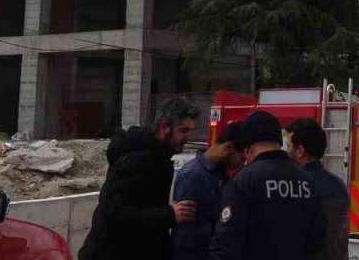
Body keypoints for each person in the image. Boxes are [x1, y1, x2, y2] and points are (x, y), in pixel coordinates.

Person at [79, 98, 200, 260]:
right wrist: (168, 214)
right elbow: (114, 214)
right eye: (183, 131)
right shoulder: (138, 161)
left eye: (191, 131)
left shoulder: (158, 157)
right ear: (165, 128)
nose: (188, 137)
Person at [210, 111, 322, 260]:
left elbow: (225, 244)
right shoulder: (307, 180)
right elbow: (315, 241)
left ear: (247, 149)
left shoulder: (244, 180)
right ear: (278, 142)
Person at [172, 122, 245, 260]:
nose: (241, 165)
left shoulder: (219, 175)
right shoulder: (193, 175)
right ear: (229, 147)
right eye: (241, 159)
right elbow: (185, 234)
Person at [286, 118, 349, 260]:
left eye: (288, 146)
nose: (286, 152)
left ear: (300, 151)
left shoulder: (295, 186)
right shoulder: (339, 186)